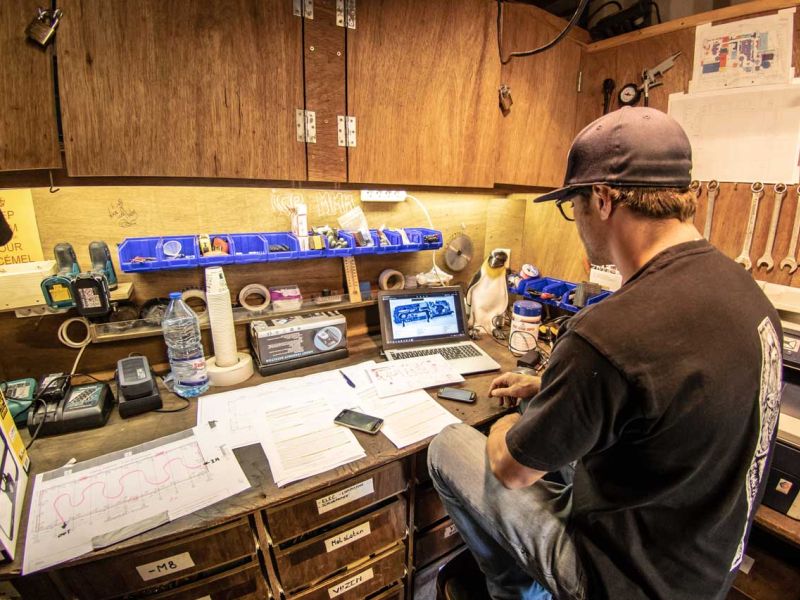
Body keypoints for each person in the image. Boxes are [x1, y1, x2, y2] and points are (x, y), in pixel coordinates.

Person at [428, 107, 782, 600]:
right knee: (542, 417)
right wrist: (550, 389)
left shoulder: (609, 333)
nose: (576, 222)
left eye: (573, 206)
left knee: (448, 445)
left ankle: (514, 593)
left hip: (619, 581)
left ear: (602, 198)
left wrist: (503, 427)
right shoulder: (748, 295)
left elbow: (512, 471)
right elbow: (661, 396)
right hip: (702, 569)